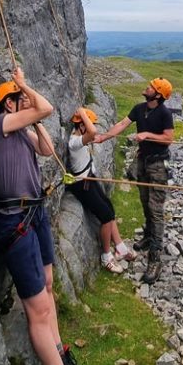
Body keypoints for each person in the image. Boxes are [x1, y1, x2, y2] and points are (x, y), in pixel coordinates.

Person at [0, 67, 105, 365]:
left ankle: (61, 358)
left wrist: (32, 120)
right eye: (17, 100)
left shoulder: (18, 132)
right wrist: (25, 88)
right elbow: (47, 107)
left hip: (33, 215)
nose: (23, 102)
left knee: (49, 289)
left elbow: (47, 147)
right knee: (37, 308)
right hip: (15, 221)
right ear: (7, 104)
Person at [96, 78, 175, 284]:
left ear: (158, 95)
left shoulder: (165, 114)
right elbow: (123, 124)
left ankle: (155, 258)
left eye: (151, 87)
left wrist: (147, 134)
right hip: (143, 162)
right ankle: (149, 236)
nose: (147, 88)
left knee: (156, 208)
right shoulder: (139, 108)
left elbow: (168, 138)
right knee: (144, 201)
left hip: (158, 165)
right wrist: (103, 137)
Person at [65, 107, 137, 273]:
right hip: (82, 184)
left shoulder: (82, 138)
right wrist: (82, 112)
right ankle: (106, 256)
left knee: (109, 208)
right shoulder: (74, 142)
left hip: (89, 178)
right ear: (81, 125)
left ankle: (120, 248)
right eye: (88, 123)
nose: (92, 126)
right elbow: (93, 131)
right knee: (105, 216)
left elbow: (93, 133)